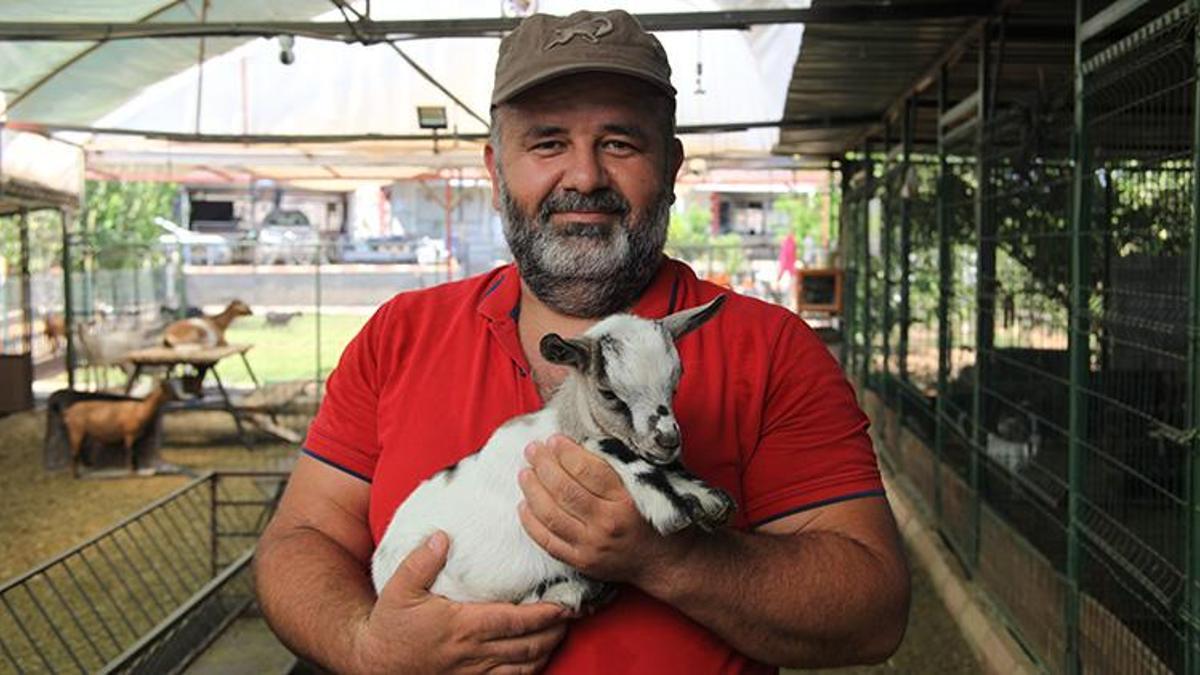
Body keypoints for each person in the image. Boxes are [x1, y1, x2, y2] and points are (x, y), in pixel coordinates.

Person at [255, 9, 909, 674]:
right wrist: (363, 645)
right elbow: (301, 537)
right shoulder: (400, 334)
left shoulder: (771, 349)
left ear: (671, 167)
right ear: (496, 170)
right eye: (547, 143)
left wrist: (670, 556)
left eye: (620, 143)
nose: (585, 176)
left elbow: (873, 612)